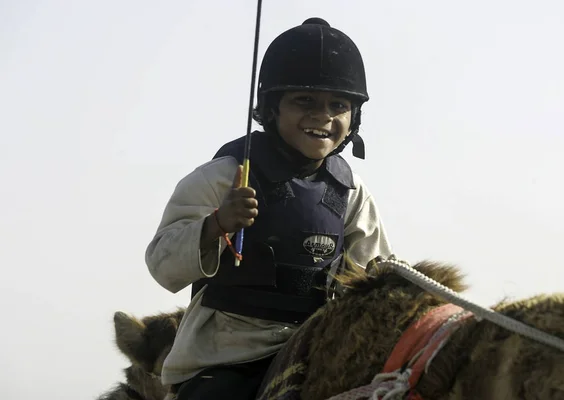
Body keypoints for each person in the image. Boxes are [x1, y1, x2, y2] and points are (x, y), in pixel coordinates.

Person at [145, 17, 394, 400]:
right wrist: (217, 224)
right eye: (304, 101)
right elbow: (162, 264)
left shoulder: (351, 192)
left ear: (353, 117)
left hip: (318, 349)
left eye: (338, 105)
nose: (322, 116)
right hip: (226, 356)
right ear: (272, 107)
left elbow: (372, 276)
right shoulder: (225, 176)